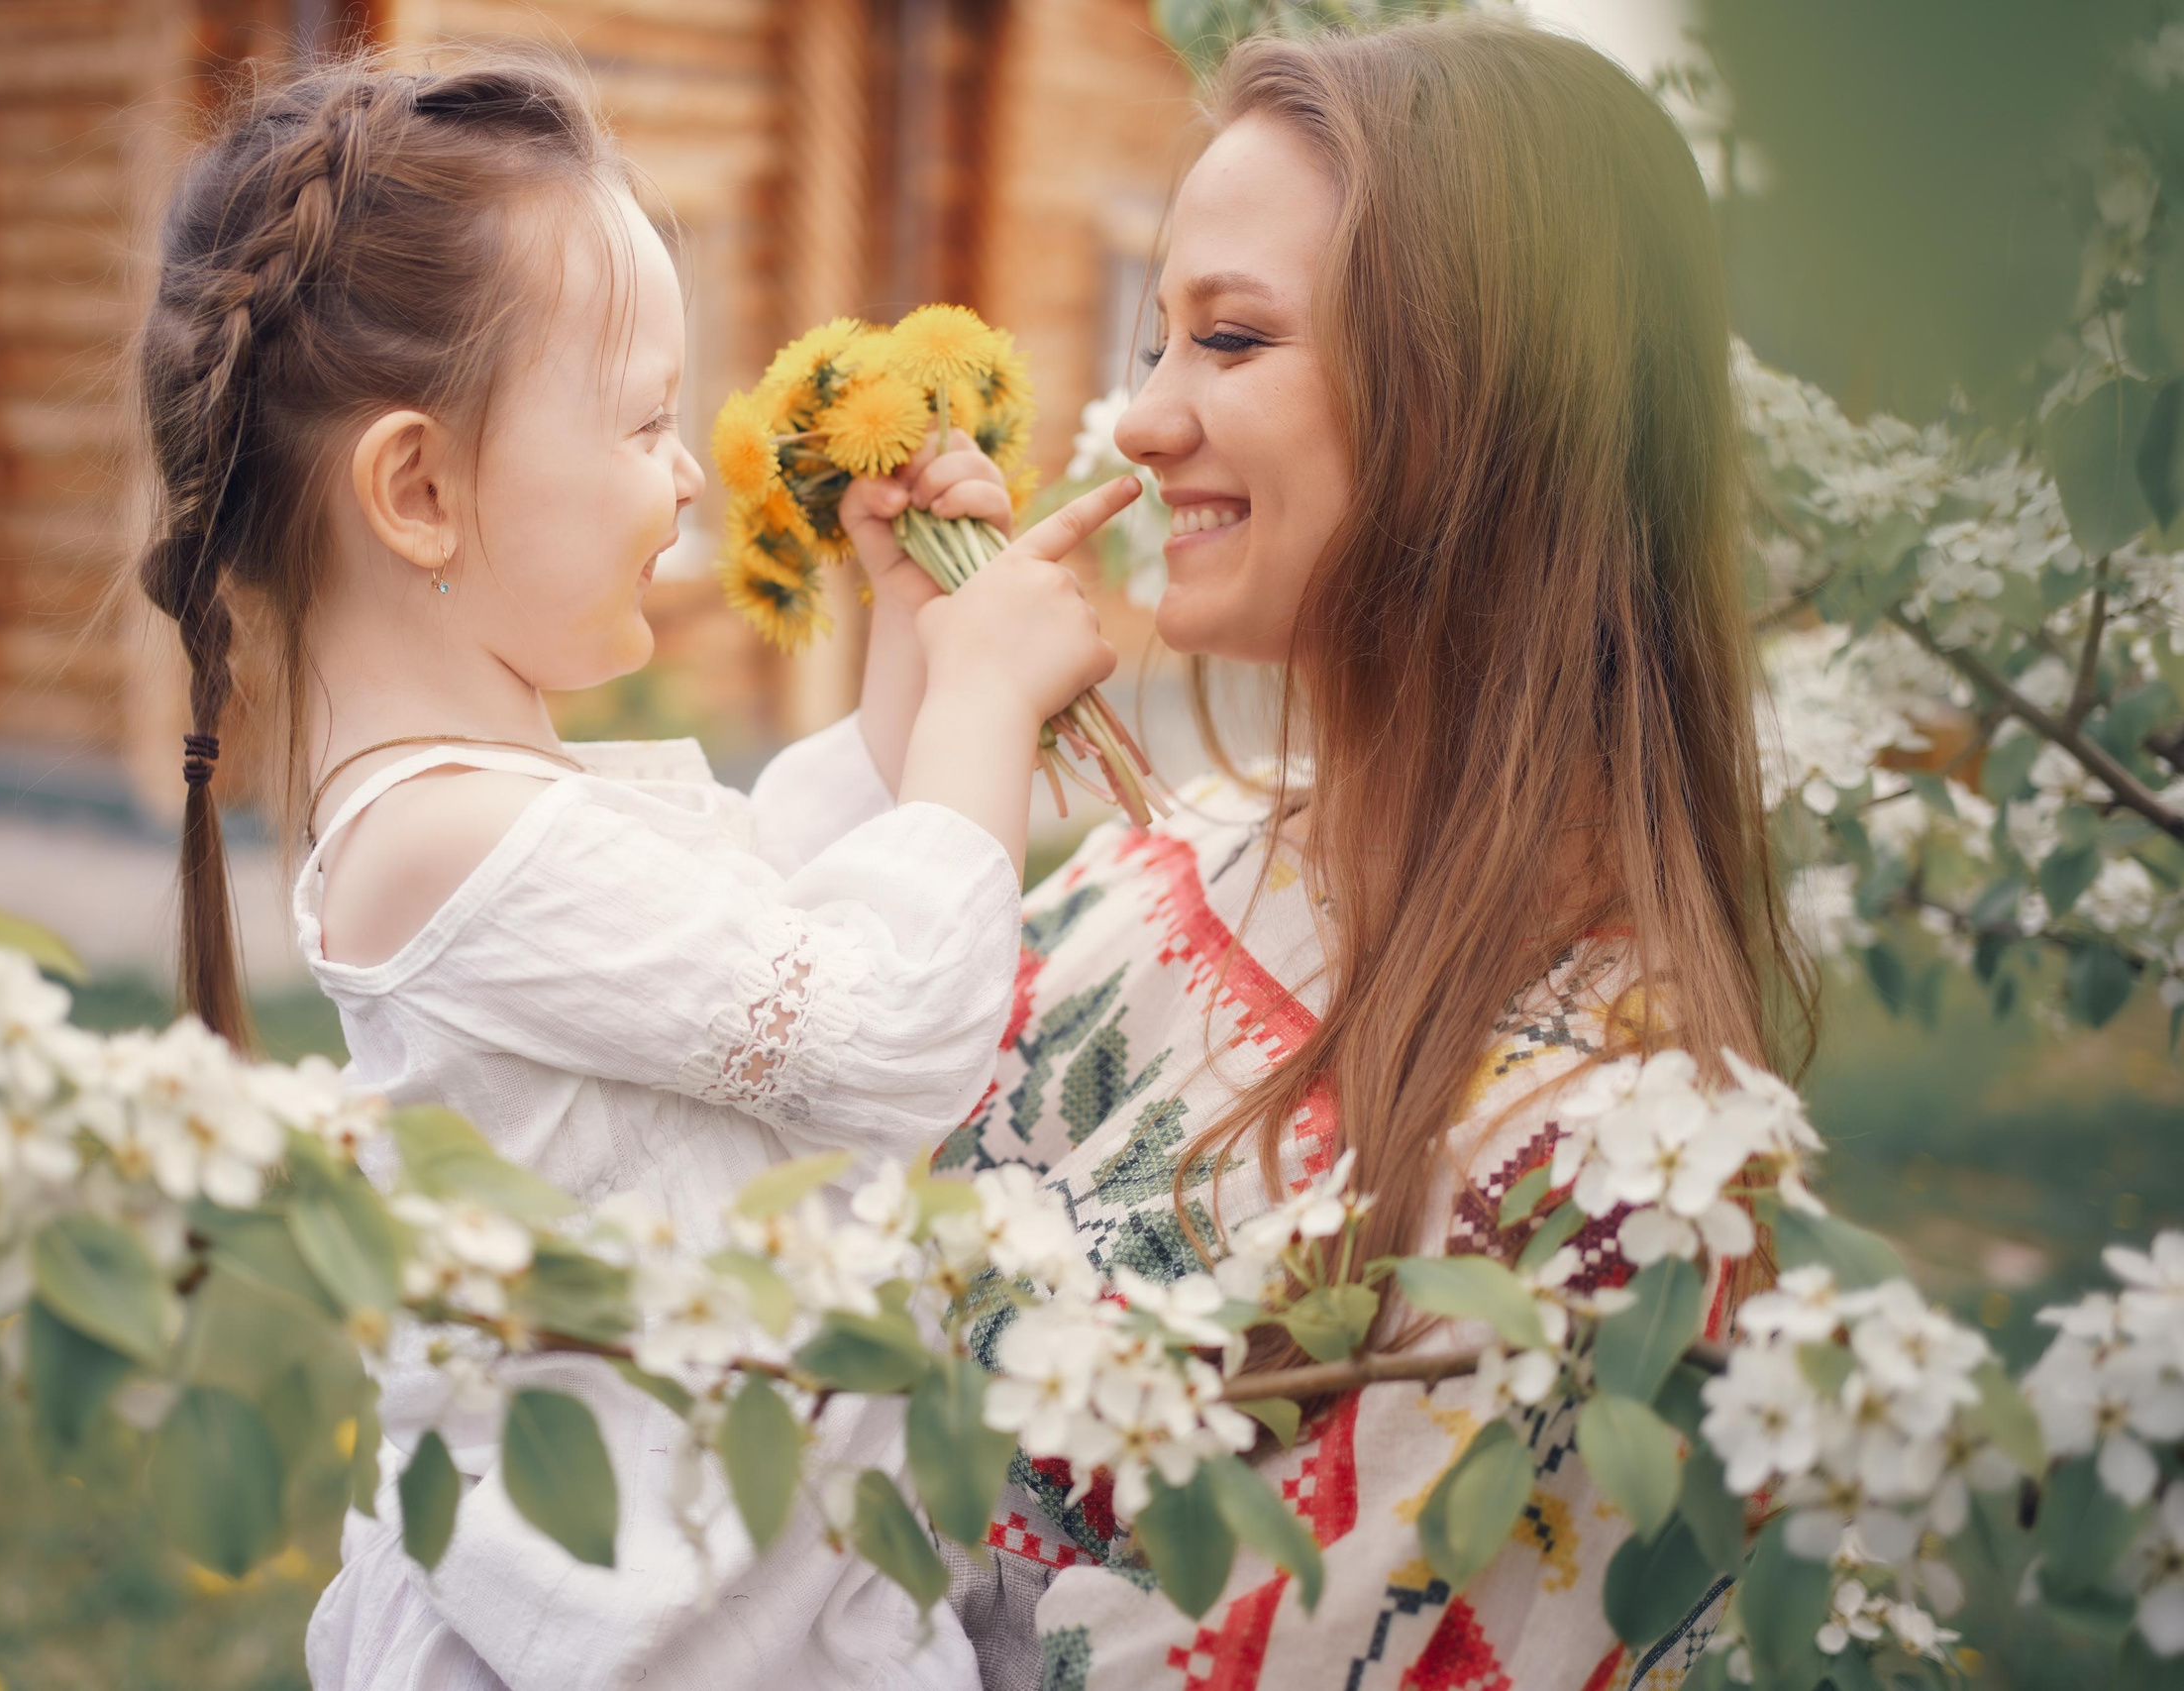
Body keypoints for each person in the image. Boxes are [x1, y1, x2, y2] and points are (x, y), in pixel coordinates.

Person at [126, 47, 1137, 1691]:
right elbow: (880, 1033)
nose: (684, 471)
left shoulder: (484, 810)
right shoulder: (444, 844)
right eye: (647, 420)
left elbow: (786, 898)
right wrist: (987, 701)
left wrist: (913, 633)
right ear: (421, 489)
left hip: (740, 1600)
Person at [938, 17, 1813, 1689]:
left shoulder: (1605, 1178)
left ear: (1486, 407)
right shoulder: (1155, 867)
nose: (1139, 423)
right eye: (1160, 338)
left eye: (1233, 341)